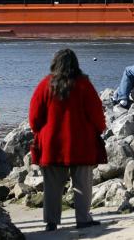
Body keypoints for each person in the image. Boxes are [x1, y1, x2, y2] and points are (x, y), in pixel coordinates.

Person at [29, 49, 106, 232]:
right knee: (83, 184)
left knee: (52, 186)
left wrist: (40, 132)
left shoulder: (45, 85)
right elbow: (97, 114)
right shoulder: (84, 85)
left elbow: (34, 117)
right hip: (81, 142)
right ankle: (83, 219)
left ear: (55, 63)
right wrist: (99, 129)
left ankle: (51, 221)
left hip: (52, 144)